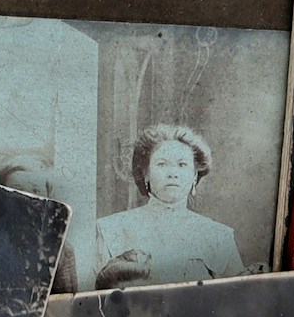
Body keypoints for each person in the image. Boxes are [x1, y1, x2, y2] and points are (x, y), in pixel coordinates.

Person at [92, 123, 245, 287]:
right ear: (146, 173)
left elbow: (236, 300)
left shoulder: (218, 236)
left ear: (194, 175)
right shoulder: (110, 229)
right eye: (162, 164)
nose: (172, 173)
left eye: (182, 165)